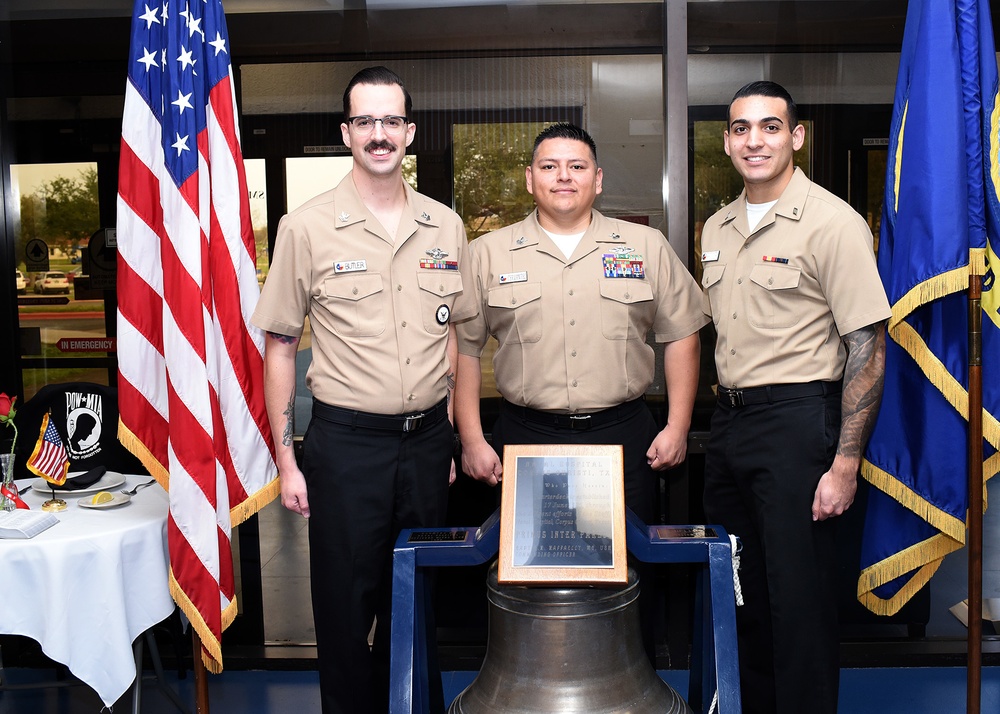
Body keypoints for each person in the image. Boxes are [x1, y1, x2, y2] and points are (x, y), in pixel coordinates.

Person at [251, 66, 476, 714]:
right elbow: (280, 346)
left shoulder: (444, 225)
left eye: (391, 121)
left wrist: (459, 436)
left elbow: (462, 339)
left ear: (409, 132)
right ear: (346, 132)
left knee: (418, 604)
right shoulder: (307, 227)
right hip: (347, 448)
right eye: (365, 121)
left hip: (429, 447)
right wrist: (286, 460)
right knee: (346, 616)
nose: (379, 134)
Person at [454, 123, 707, 655]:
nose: (563, 176)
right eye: (549, 166)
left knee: (629, 574)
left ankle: (629, 687)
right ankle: (534, 688)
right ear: (529, 179)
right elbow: (465, 348)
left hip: (622, 437)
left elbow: (682, 333)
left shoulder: (643, 246)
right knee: (530, 577)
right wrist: (473, 438)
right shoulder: (490, 254)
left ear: (598, 178)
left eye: (576, 166)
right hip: (527, 438)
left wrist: (678, 426)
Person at [700, 80, 890, 714]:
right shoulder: (718, 226)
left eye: (770, 127)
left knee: (798, 603)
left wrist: (845, 463)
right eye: (741, 128)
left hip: (799, 427)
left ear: (796, 136)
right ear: (728, 140)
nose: (755, 140)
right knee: (741, 594)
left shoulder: (833, 222)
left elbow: (868, 346)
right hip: (728, 429)